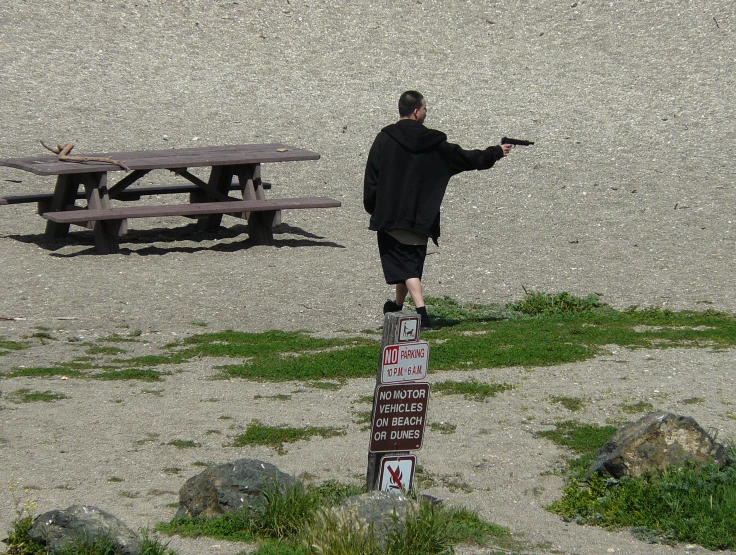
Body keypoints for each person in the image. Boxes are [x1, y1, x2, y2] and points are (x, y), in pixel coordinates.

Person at [363, 90, 512, 329]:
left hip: (390, 215)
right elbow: (465, 158)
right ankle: (397, 307)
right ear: (416, 111)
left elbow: (372, 177)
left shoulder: (384, 138)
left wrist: (373, 208)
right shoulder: (434, 144)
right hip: (421, 218)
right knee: (409, 263)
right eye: (425, 109)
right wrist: (495, 152)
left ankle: (422, 314)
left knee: (405, 265)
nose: (425, 112)